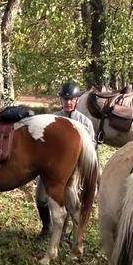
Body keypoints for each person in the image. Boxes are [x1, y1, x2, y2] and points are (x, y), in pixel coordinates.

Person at [36, 81, 95, 239]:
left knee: (71, 202)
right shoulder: (52, 119)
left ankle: (67, 234)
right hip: (49, 168)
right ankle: (46, 227)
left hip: (73, 169)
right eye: (65, 99)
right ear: (61, 100)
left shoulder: (85, 123)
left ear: (77, 100)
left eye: (71, 99)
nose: (68, 102)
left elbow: (91, 148)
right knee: (41, 199)